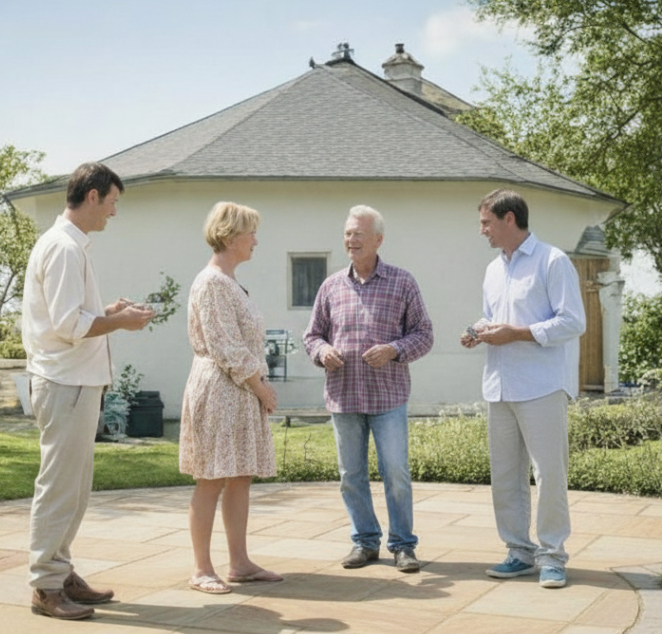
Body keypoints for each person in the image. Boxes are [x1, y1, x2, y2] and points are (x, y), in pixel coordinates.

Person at [22, 162, 155, 620]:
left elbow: (73, 315)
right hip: (65, 383)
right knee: (59, 486)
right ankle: (45, 585)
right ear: (93, 196)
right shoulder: (63, 248)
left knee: (74, 488)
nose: (114, 212)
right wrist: (120, 321)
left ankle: (60, 571)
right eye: (113, 202)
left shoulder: (70, 246)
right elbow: (68, 325)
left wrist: (109, 310)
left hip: (75, 382)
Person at [461, 188, 586, 589]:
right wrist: (477, 330)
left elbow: (572, 321)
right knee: (506, 476)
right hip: (500, 385)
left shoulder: (553, 261)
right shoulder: (493, 269)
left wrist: (517, 333)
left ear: (509, 218)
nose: (482, 231)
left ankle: (553, 556)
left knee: (549, 474)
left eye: (486, 222)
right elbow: (494, 317)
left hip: (541, 386)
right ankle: (518, 551)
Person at [304, 205, 433, 573]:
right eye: (347, 233)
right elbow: (312, 335)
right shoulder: (331, 286)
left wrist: (395, 350)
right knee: (351, 475)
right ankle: (364, 542)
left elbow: (424, 334)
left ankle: (404, 545)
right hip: (344, 397)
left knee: (395, 472)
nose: (352, 239)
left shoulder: (402, 282)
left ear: (378, 239)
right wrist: (322, 350)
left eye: (359, 233)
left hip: (387, 397)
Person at [179, 201, 282, 594]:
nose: (256, 240)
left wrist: (255, 387)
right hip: (221, 389)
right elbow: (225, 347)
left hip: (238, 391)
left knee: (240, 476)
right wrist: (261, 388)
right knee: (211, 477)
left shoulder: (230, 282)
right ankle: (202, 568)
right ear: (230, 236)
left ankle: (239, 563)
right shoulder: (211, 283)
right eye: (251, 232)